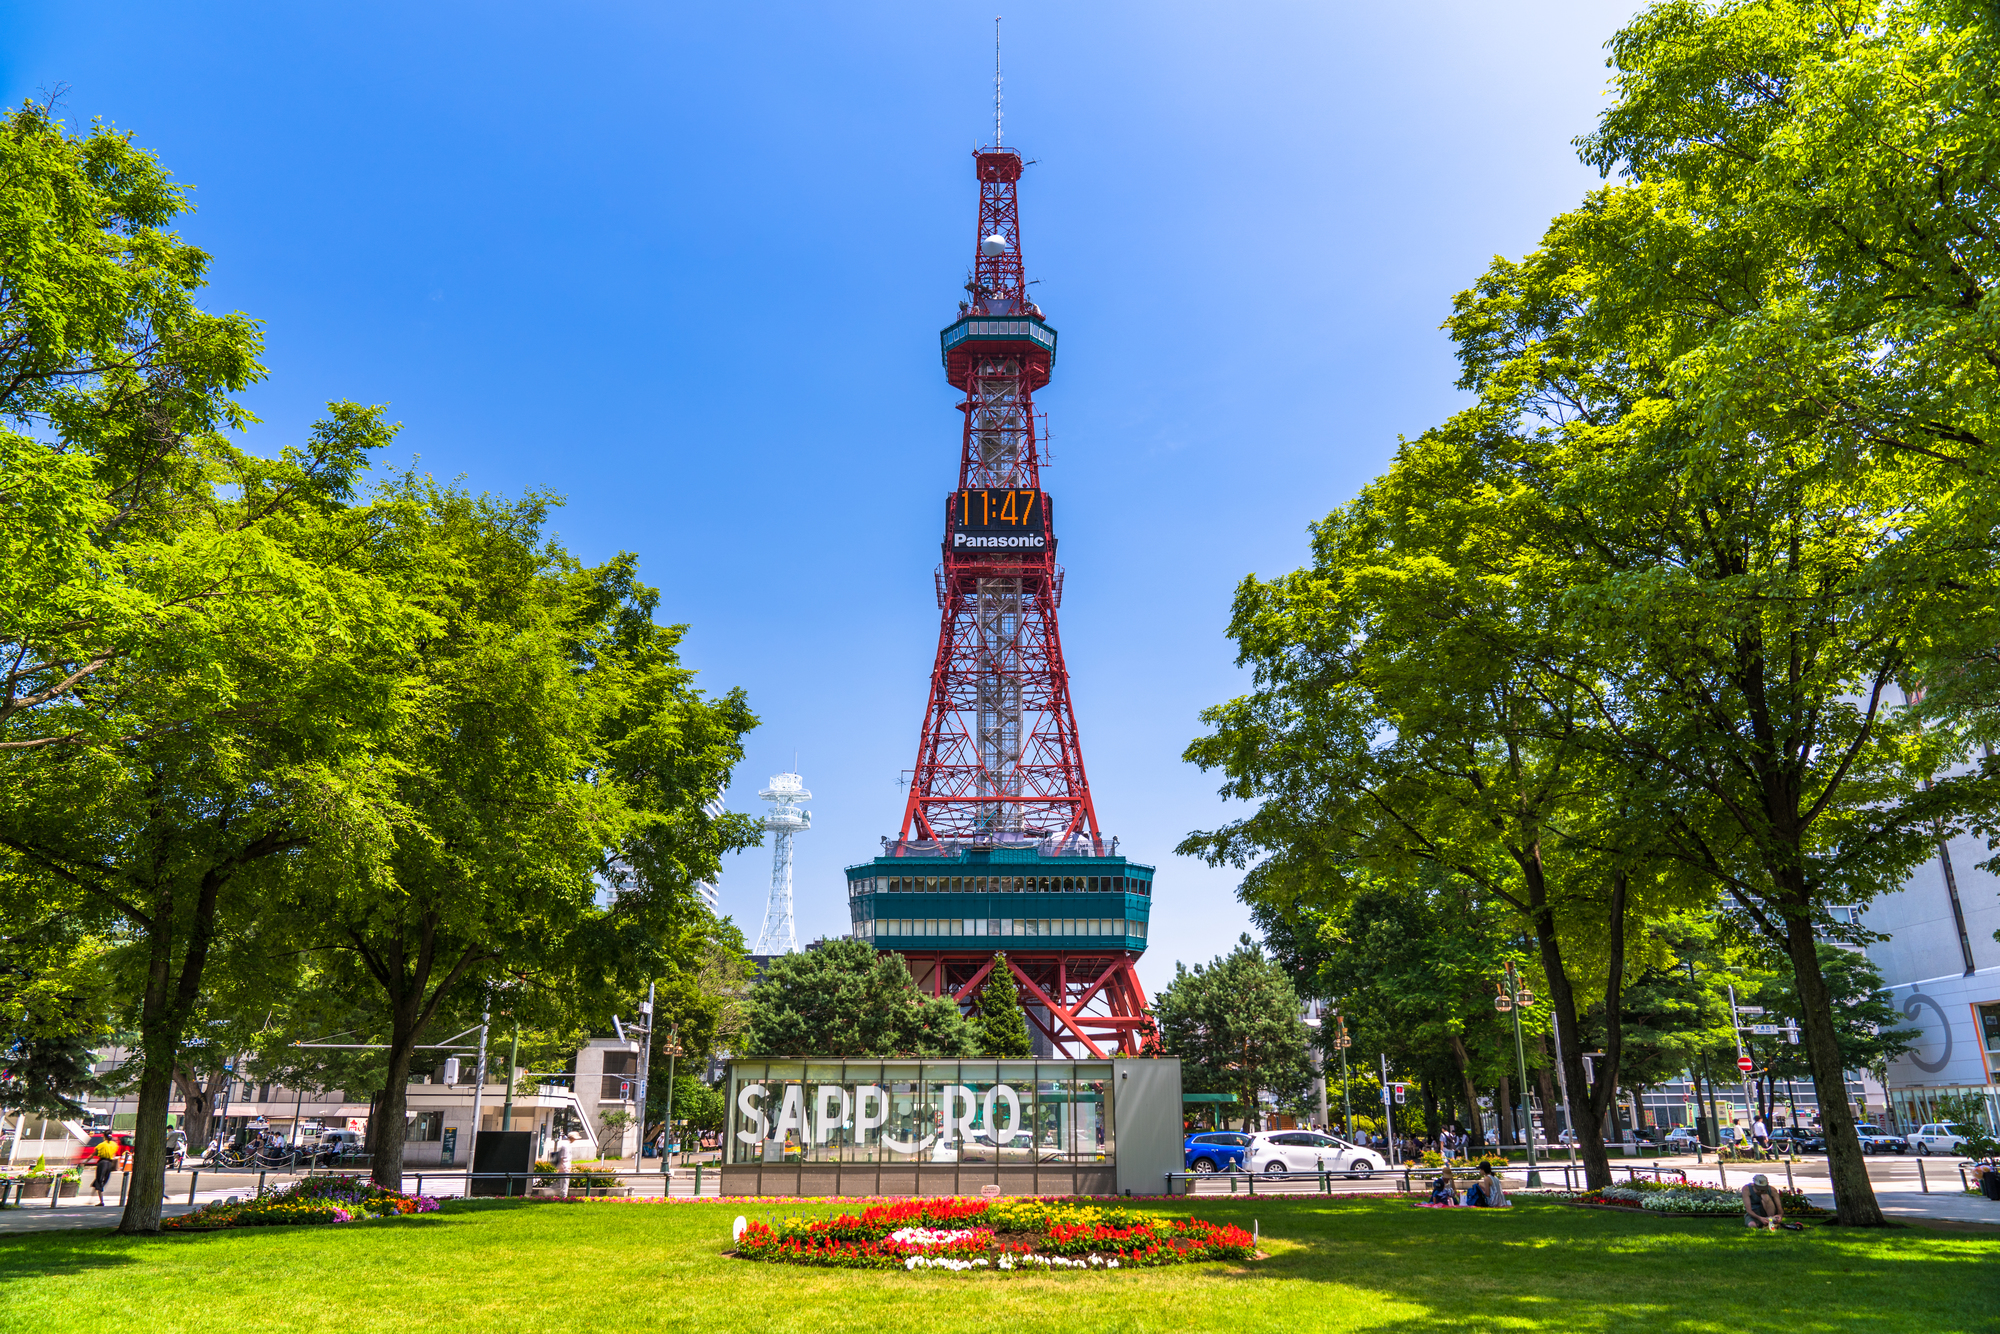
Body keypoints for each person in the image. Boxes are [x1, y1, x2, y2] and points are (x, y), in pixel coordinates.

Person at [88, 1136, 121, 1206]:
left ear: (104, 1137)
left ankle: (101, 1201)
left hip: (102, 1163)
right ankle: (91, 1199)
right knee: (99, 1181)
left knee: (99, 1181)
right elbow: (114, 1154)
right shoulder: (114, 1145)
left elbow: (93, 1154)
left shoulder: (101, 1145)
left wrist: (85, 1161)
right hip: (110, 1163)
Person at [552, 1130, 580, 1198]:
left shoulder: (567, 1145)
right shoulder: (566, 1146)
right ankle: (563, 1196)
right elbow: (563, 1158)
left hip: (565, 1166)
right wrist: (563, 1168)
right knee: (565, 1182)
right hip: (565, 1167)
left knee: (563, 1182)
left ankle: (562, 1195)